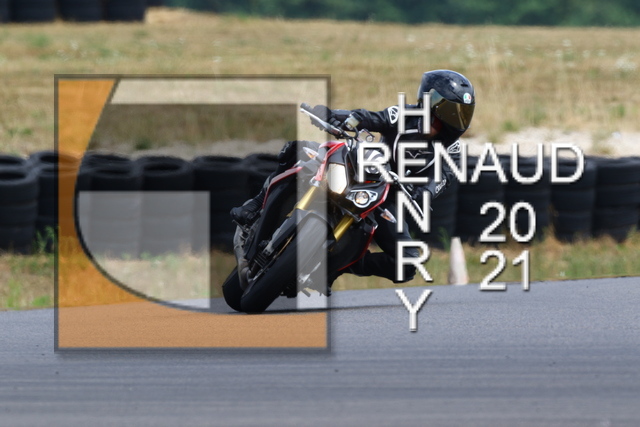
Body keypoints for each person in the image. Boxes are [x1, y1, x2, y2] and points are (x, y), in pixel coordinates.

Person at [231, 69, 475, 284]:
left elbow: (438, 182)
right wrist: (339, 116)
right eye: (449, 112)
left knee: (408, 264)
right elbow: (371, 117)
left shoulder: (453, 153)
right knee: (298, 149)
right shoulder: (404, 114)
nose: (452, 120)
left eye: (460, 114)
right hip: (363, 168)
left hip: (390, 198)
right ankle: (254, 206)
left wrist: (420, 195)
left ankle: (335, 267)